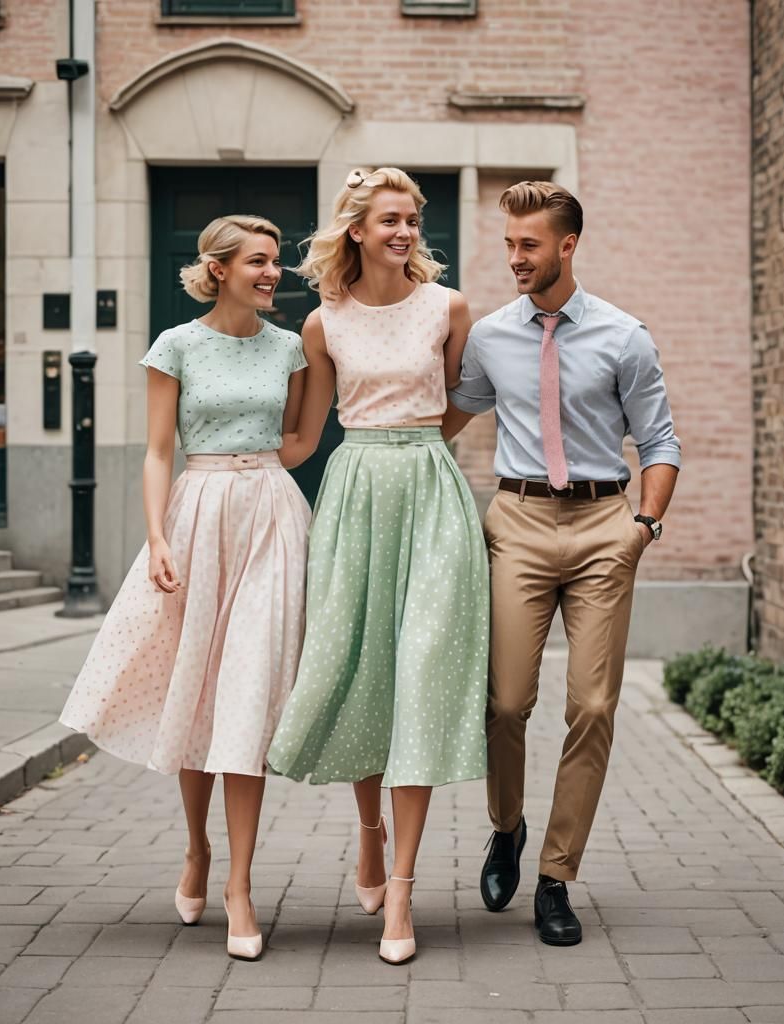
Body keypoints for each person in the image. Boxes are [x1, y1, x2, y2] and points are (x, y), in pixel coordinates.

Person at [59, 215, 311, 962]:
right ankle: (197, 847)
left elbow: (298, 440)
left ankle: (240, 885)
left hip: (270, 516)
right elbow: (157, 451)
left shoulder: (289, 348)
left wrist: (263, 476)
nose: (272, 273)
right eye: (258, 261)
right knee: (198, 690)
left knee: (247, 695)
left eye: (275, 262)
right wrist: (158, 537)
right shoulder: (175, 345)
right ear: (219, 268)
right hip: (196, 516)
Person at [444, 181, 681, 947]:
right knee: (506, 703)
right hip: (516, 523)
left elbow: (659, 441)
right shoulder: (489, 338)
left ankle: (555, 874)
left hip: (604, 525)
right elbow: (446, 419)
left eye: (529, 245)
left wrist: (643, 525)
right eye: (509, 244)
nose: (515, 258)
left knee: (594, 706)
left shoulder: (624, 337)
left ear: (567, 246)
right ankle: (506, 826)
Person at [267, 167, 489, 965]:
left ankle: (401, 888)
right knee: (365, 670)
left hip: (430, 490)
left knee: (421, 675)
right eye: (391, 219)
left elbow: (465, 398)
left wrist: (419, 444)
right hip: (355, 492)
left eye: (412, 219)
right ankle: (369, 830)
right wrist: (226, 470)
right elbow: (306, 435)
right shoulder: (322, 322)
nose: (405, 232)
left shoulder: (448, 308)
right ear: (356, 229)